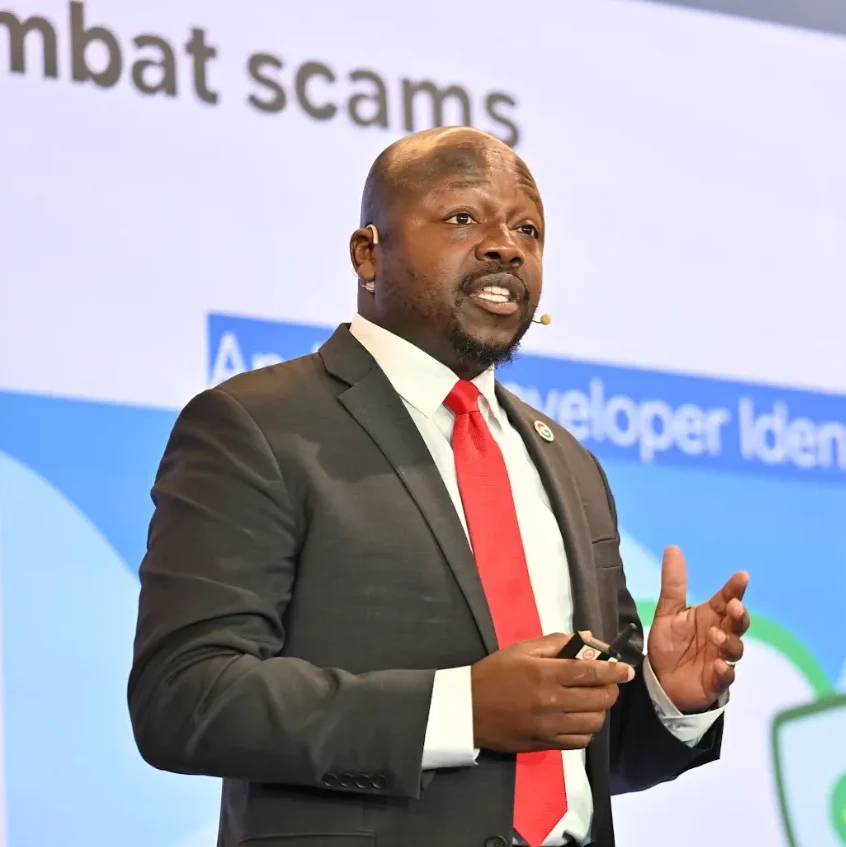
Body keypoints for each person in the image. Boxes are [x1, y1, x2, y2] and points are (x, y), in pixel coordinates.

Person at [128, 126, 750, 847]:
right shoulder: (260, 425)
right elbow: (186, 696)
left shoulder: (569, 462)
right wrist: (463, 710)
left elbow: (580, 754)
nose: (505, 247)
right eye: (463, 218)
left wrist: (667, 696)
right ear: (368, 253)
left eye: (527, 229)